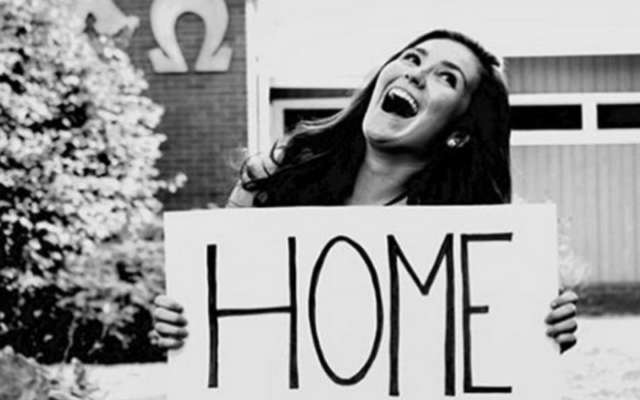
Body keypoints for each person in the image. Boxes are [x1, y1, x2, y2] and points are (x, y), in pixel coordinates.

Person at [151, 29, 578, 352]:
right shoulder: (272, 181)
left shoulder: (478, 242)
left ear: (460, 134)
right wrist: (180, 322)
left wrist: (538, 330)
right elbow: (220, 310)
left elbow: (489, 355)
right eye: (413, 58)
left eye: (446, 78)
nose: (416, 73)